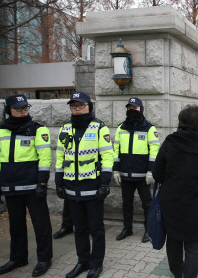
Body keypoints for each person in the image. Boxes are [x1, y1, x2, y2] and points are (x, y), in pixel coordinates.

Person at [152, 104, 198, 278]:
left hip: (172, 201)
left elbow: (157, 174)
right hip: (196, 203)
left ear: (180, 121)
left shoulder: (170, 141)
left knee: (174, 240)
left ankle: (177, 273)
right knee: (193, 244)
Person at [55, 91, 113, 278]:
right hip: (72, 189)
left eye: (81, 105)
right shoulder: (65, 128)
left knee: (96, 229)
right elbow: (60, 158)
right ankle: (83, 261)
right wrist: (58, 183)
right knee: (79, 229)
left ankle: (96, 264)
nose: (77, 109)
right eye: (74, 106)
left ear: (89, 107)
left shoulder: (99, 128)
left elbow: (107, 157)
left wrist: (105, 184)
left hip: (93, 189)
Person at [0, 94, 53, 277]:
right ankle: (18, 258)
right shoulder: (1, 131)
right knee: (16, 226)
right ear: (9, 111)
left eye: (25, 108)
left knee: (41, 225)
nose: (23, 112)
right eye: (18, 109)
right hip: (10, 187)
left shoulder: (37, 130)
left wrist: (42, 183)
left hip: (32, 187)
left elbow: (45, 159)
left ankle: (45, 259)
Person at [113, 97, 159, 243]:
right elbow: (116, 150)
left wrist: (151, 171)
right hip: (125, 174)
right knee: (126, 203)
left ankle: (148, 230)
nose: (132, 111)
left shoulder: (149, 128)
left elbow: (154, 151)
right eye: (130, 108)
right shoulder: (121, 128)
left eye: (135, 108)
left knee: (147, 204)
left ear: (141, 109)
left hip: (143, 175)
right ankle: (127, 228)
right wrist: (115, 170)